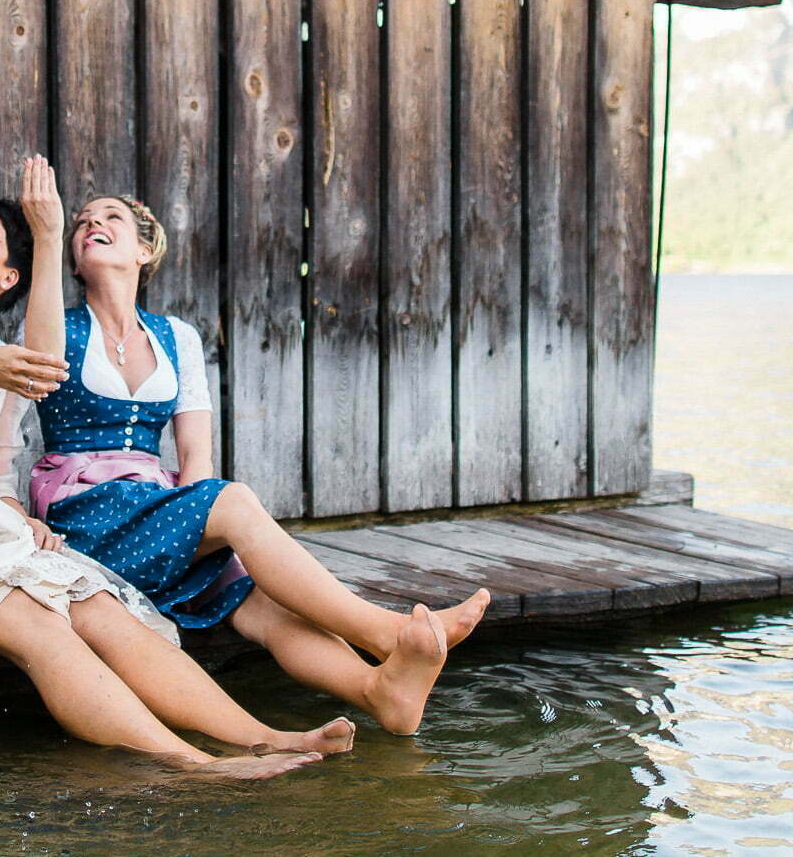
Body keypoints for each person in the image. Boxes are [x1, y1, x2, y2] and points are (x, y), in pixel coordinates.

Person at [0, 158, 350, 776]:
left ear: (7, 278)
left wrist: (17, 516)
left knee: (97, 605)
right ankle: (191, 764)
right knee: (39, 625)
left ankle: (259, 735)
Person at [26, 192, 491, 735]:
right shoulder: (54, 327)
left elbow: (195, 454)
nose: (91, 226)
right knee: (235, 501)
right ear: (73, 261)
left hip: (152, 506)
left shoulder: (178, 337)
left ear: (145, 249)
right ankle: (385, 633)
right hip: (84, 513)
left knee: (259, 599)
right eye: (81, 224)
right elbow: (17, 415)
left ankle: (380, 691)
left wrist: (191, 533)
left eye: (110, 219)